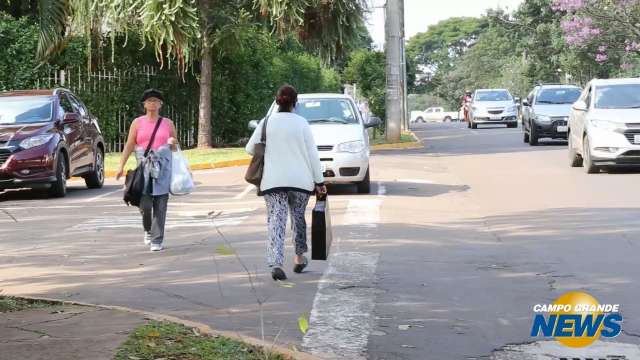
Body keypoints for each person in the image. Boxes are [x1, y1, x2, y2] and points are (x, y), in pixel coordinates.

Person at [246, 84, 327, 281]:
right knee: (298, 218)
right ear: (295, 103)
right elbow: (312, 155)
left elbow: (250, 149)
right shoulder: (302, 123)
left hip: (273, 181)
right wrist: (320, 181)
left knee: (276, 220)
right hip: (300, 181)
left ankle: (276, 262)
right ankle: (299, 258)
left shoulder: (266, 122)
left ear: (276, 101)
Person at [116, 89, 178, 252]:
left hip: (162, 168)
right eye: (149, 101)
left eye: (156, 101)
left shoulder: (168, 123)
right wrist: (121, 165)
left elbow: (175, 146)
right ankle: (148, 229)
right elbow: (130, 144)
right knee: (145, 204)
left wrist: (172, 143)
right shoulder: (137, 123)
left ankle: (157, 239)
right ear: (144, 104)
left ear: (160, 104)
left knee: (161, 204)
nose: (152, 103)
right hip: (144, 169)